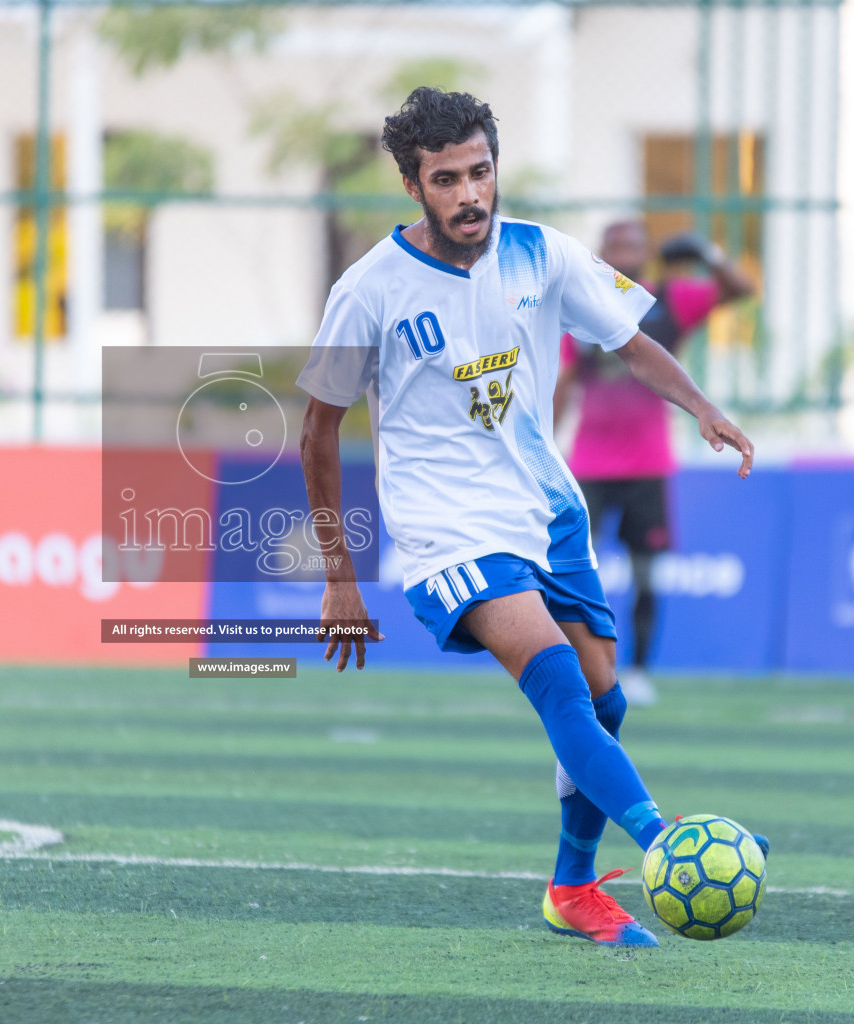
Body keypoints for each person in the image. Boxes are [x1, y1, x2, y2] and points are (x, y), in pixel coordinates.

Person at [297, 87, 765, 948]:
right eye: (447, 180)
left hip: (545, 511)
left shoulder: (542, 255)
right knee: (555, 683)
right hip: (447, 531)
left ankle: (571, 887)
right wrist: (340, 575)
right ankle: (671, 847)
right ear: (413, 185)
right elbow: (319, 429)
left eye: (480, 172)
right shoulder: (368, 290)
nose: (471, 194)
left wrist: (699, 405)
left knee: (603, 701)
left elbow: (629, 338)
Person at [555, 221, 756, 706]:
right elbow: (562, 379)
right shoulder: (579, 305)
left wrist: (707, 252)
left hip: (648, 464)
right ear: (601, 252)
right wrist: (544, 441)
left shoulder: (668, 301)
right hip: (589, 463)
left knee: (647, 574)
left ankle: (640, 668)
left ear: (646, 254)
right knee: (572, 570)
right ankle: (573, 666)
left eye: (633, 246)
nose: (624, 253)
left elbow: (741, 290)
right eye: (616, 246)